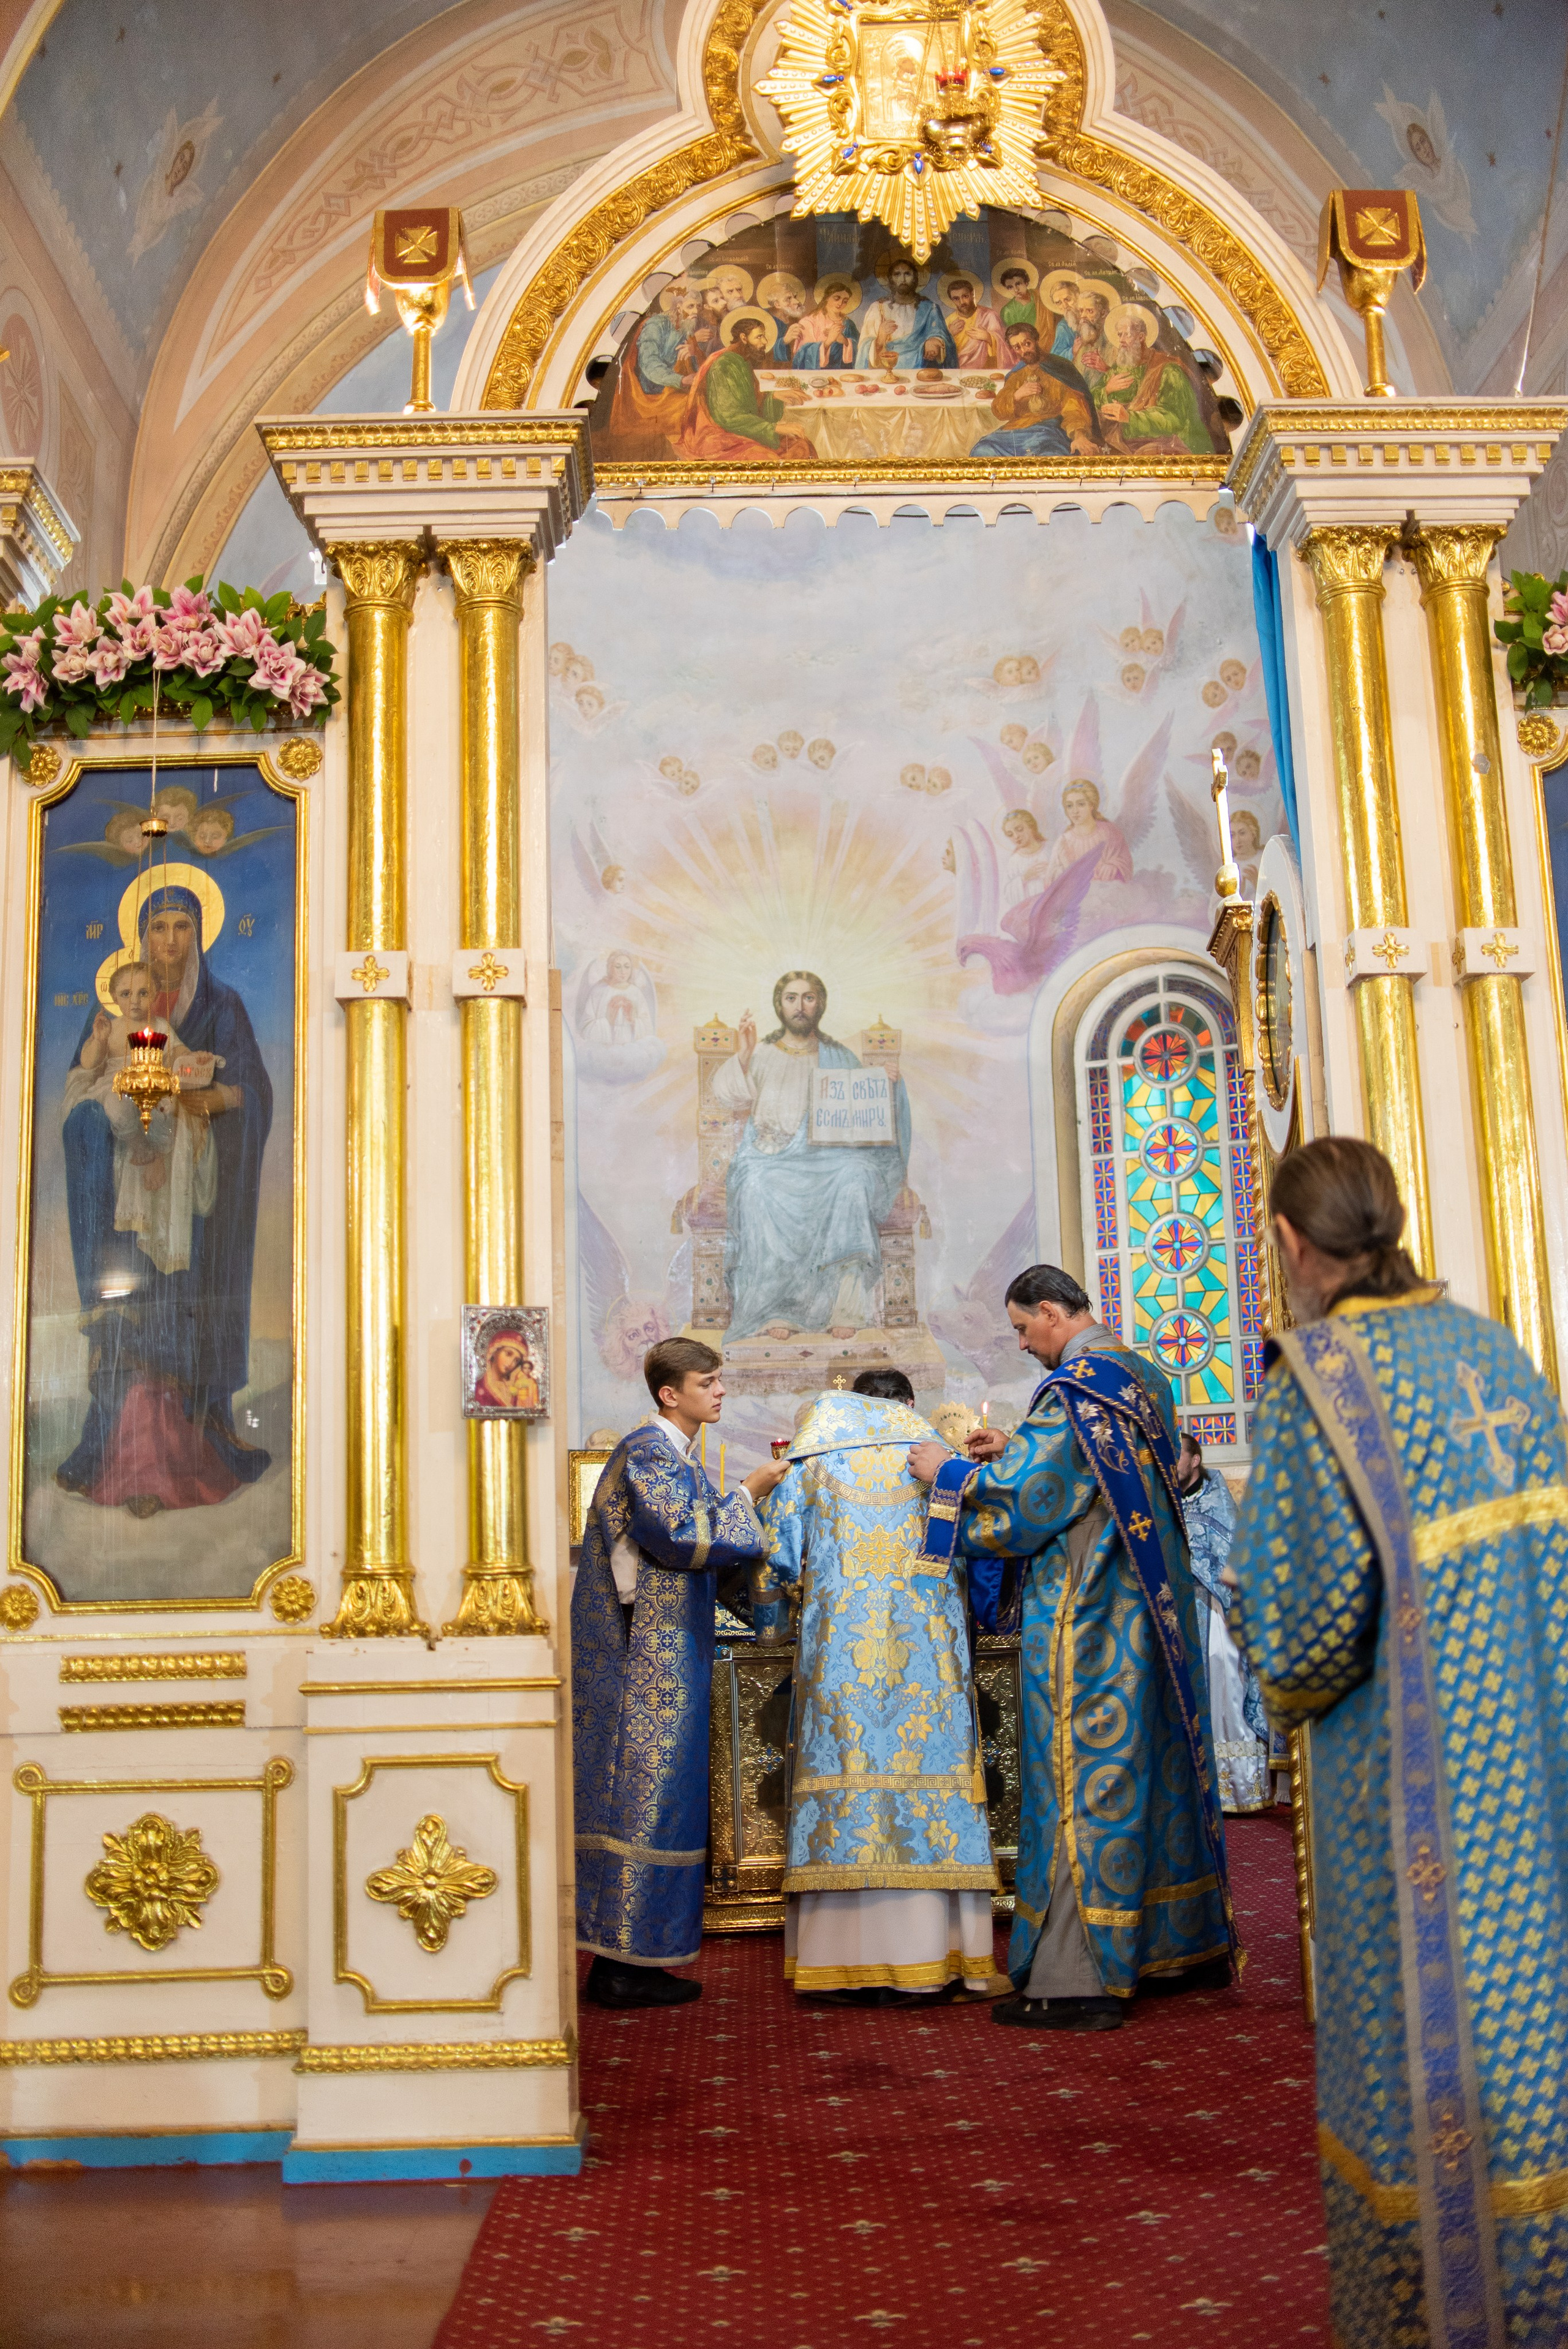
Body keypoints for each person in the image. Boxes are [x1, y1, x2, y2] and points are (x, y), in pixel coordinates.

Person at [1228, 1139, 1568, 2343]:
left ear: (1288, 1243)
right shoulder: (1492, 1351)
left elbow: (1300, 1635)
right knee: (1536, 2026)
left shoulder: (1317, 1382)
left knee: (1416, 2046)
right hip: (1536, 1762)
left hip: (1407, 1792)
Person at [909, 1264, 1234, 2029]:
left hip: (1090, 1616)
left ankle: (1077, 1976)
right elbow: (1089, 1472)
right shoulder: (1139, 1372)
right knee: (1148, 1771)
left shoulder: (1077, 1385)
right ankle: (1168, 1945)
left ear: (1053, 1312)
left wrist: (947, 1471)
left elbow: (1031, 1502)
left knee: (1083, 1779)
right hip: (1151, 1605)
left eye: (1024, 1328)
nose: (1024, 1344)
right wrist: (1017, 1444)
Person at [763, 1367, 998, 2005]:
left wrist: (779, 1612)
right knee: (932, 1781)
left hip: (841, 1664)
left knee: (845, 1782)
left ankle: (840, 1961)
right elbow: (986, 1545)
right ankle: (936, 1955)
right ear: (908, 1404)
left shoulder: (813, 1458)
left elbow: (776, 1556)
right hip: (929, 1668)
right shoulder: (940, 1461)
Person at [573, 1337, 789, 2007]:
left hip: (673, 1653)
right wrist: (748, 1495)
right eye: (709, 1381)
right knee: (645, 1801)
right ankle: (617, 1965)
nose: (720, 1391)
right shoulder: (647, 1450)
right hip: (643, 1663)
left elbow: (701, 1561)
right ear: (671, 1393)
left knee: (668, 1803)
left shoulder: (676, 1457)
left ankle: (642, 1954)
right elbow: (679, 1535)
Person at [57, 884, 272, 1512]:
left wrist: (223, 1099)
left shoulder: (222, 1005)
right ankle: (115, 1453)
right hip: (124, 1199)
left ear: (198, 934)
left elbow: (252, 1087)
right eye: (159, 928)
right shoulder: (114, 1013)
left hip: (187, 1204)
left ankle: (183, 1459)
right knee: (128, 1316)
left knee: (178, 1309)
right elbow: (82, 1092)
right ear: (141, 938)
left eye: (182, 926)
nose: (171, 940)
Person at [709, 970, 911, 1341]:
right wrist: (744, 1053)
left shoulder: (838, 1056)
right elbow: (728, 1096)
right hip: (771, 1157)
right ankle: (776, 1310)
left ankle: (843, 1308)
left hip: (827, 1162)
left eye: (808, 997)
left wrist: (884, 1079)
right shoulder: (763, 1054)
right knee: (755, 1187)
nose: (799, 1006)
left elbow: (864, 1105)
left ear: (820, 1004)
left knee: (854, 1179)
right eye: (791, 998)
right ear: (779, 1005)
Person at [66, 959, 219, 1288]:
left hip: (154, 1087)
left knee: (169, 1108)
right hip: (117, 1086)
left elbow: (179, 1053)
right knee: (118, 1109)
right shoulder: (111, 1027)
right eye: (126, 993)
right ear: (113, 997)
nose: (134, 1001)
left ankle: (158, 1155)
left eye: (143, 992)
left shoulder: (161, 1027)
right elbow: (89, 1062)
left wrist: (197, 1058)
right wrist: (96, 1039)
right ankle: (142, 1150)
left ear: (155, 994)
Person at [1177, 1433, 1269, 1814]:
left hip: (1214, 1609)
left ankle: (1239, 1789)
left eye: (1177, 1456)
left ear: (1195, 1460)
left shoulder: (1218, 1502)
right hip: (1178, 1612)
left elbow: (1232, 1559)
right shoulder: (1163, 1500)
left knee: (1224, 1680)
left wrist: (1194, 1562)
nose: (1171, 1464)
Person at [674, 309, 813, 462]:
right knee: (772, 459)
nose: (765, 342)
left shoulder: (741, 360)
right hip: (720, 437)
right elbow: (729, 417)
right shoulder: (724, 365)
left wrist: (774, 396)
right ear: (743, 338)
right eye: (759, 337)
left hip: (740, 429)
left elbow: (748, 402)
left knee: (802, 446)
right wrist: (774, 428)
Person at [1095, 304, 1217, 458]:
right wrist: (1106, 390)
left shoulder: (1168, 370)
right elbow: (1092, 397)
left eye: (1127, 335)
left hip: (1167, 446)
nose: (1122, 340)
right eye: (1119, 335)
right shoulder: (1120, 367)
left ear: (1141, 337)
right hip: (1122, 442)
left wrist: (1130, 418)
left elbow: (1173, 419)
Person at [969, 324, 1100, 462]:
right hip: (1017, 432)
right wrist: (1017, 395)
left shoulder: (1061, 369)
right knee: (981, 452)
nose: (1024, 350)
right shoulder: (1016, 375)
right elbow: (999, 410)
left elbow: (1074, 408)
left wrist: (1079, 435)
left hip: (1050, 433)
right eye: (1017, 347)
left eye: (1027, 344)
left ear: (1036, 340)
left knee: (1051, 460)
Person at [605, 285, 701, 460]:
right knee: (690, 408)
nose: (696, 311)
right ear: (678, 308)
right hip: (645, 398)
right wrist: (681, 380)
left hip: (671, 391)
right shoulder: (656, 325)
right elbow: (650, 364)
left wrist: (693, 352)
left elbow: (695, 366)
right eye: (691, 307)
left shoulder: (687, 329)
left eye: (698, 307)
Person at [856, 257, 956, 371]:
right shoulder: (877, 308)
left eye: (908, 274)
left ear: (915, 278)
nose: (903, 279)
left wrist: (934, 341)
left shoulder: (930, 308)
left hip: (921, 370)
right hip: (886, 370)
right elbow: (863, 348)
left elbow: (941, 335)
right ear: (891, 279)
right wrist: (880, 339)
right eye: (897, 274)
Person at [1039, 777, 1132, 886]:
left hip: (1107, 893)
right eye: (1069, 806)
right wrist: (1061, 873)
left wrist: (1113, 866)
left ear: (1092, 805)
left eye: (1081, 804)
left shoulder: (1109, 832)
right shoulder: (1064, 841)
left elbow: (1126, 862)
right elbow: (1051, 878)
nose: (1075, 811)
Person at [786, 276, 859, 370]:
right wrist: (828, 342)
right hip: (817, 375)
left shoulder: (849, 324)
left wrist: (844, 341)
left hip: (842, 374)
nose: (841, 303)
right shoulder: (809, 322)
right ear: (827, 298)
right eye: (837, 298)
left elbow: (860, 352)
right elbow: (801, 355)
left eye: (845, 301)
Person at [944, 273, 1006, 370]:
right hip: (956, 370)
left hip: (984, 371)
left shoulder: (989, 316)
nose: (962, 302)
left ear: (972, 294)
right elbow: (940, 355)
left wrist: (988, 337)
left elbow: (1005, 348)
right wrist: (949, 335)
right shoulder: (949, 321)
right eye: (956, 299)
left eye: (965, 296)